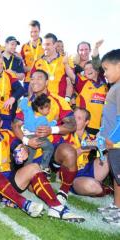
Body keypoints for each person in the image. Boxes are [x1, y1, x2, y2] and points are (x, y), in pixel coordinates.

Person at [0, 109, 84, 221]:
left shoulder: (7, 134)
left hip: (8, 182)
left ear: (1, 124)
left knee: (35, 167)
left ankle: (56, 207)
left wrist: (22, 150)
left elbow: (19, 145)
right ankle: (24, 203)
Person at [13, 69, 79, 205]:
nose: (35, 81)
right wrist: (27, 141)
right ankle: (44, 170)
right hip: (33, 147)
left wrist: (51, 130)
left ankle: (63, 191)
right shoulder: (25, 102)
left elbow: (72, 124)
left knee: (70, 152)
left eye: (39, 78)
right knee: (31, 187)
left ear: (47, 82)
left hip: (52, 146)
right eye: (32, 78)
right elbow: (15, 126)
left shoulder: (57, 100)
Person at [98, 49, 120, 225]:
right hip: (113, 143)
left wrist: (112, 138)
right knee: (116, 176)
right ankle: (116, 205)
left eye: (106, 69)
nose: (104, 73)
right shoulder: (115, 87)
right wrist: (102, 134)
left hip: (117, 143)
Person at [70, 108, 111, 197]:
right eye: (74, 117)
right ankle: (103, 189)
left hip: (86, 168)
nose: (75, 120)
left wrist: (103, 148)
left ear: (86, 122)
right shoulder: (66, 135)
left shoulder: (89, 136)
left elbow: (100, 149)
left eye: (79, 118)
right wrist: (82, 149)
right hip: (72, 174)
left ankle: (98, 184)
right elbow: (66, 158)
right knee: (93, 186)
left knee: (109, 155)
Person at [64, 59, 108, 135]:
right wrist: (65, 63)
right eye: (86, 69)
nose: (88, 70)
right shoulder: (82, 82)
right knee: (85, 145)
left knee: (98, 146)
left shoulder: (105, 86)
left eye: (91, 68)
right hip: (85, 126)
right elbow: (71, 75)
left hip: (101, 127)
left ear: (97, 71)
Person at [19, 94, 56, 171]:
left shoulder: (28, 110)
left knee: (29, 156)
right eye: (48, 108)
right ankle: (44, 166)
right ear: (40, 108)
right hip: (37, 137)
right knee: (49, 148)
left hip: (27, 137)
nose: (49, 110)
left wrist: (27, 97)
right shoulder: (43, 119)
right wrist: (55, 120)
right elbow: (49, 126)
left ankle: (24, 171)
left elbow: (21, 104)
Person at [31, 33, 71, 99]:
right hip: (41, 104)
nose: (45, 47)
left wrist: (67, 99)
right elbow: (31, 83)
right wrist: (31, 98)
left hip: (59, 102)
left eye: (48, 44)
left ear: (55, 45)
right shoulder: (37, 62)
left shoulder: (65, 60)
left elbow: (70, 82)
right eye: (43, 45)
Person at [20, 20, 44, 87]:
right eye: (31, 32)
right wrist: (31, 68)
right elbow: (20, 66)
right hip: (28, 81)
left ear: (39, 31)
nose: (33, 34)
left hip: (42, 81)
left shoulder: (45, 45)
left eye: (35, 31)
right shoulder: (24, 47)